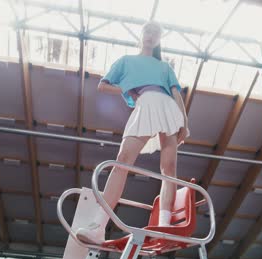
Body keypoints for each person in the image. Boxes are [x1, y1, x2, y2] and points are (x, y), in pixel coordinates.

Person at [75, 21, 190, 245]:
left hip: (167, 107)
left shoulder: (165, 67)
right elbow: (103, 85)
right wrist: (128, 89)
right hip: (144, 105)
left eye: (156, 32)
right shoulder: (126, 61)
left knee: (169, 168)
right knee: (123, 161)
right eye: (148, 30)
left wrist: (184, 123)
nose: (151, 34)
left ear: (159, 39)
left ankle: (164, 228)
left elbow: (176, 93)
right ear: (141, 34)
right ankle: (98, 225)